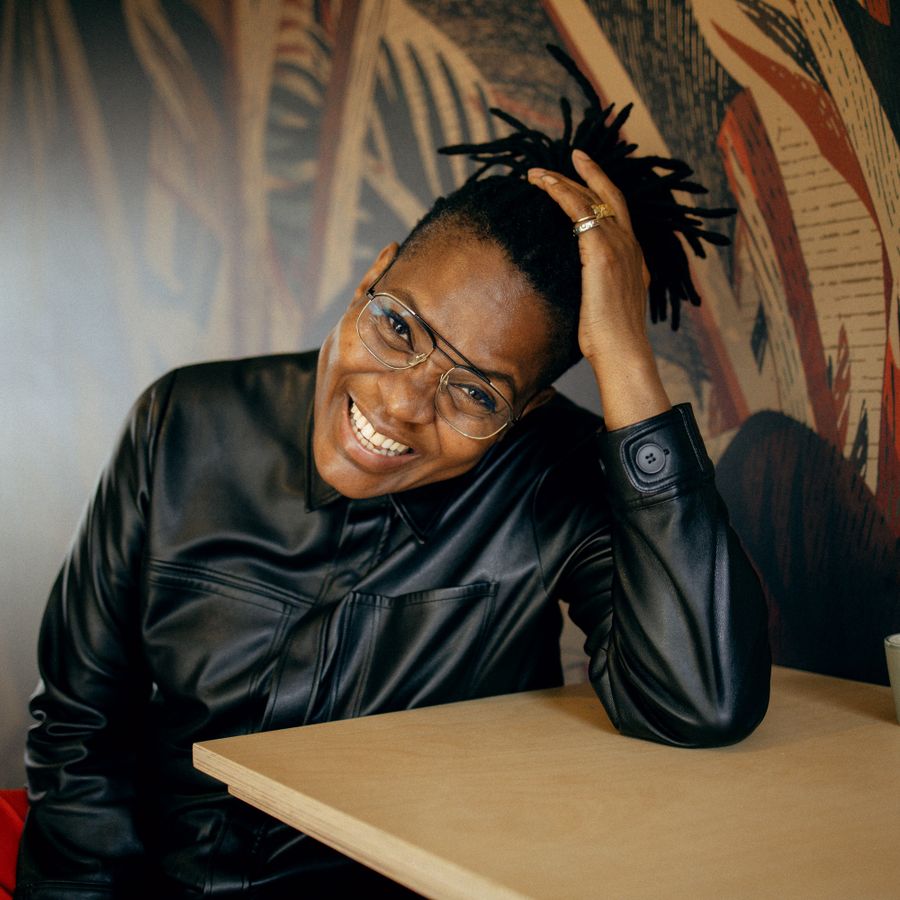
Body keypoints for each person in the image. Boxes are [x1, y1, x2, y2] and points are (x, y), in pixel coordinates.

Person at [15, 48, 770, 899]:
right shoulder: (183, 422)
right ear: (370, 279)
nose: (403, 403)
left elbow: (701, 702)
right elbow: (80, 728)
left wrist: (626, 359)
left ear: (525, 409)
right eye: (399, 327)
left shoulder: (552, 474)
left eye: (475, 391)